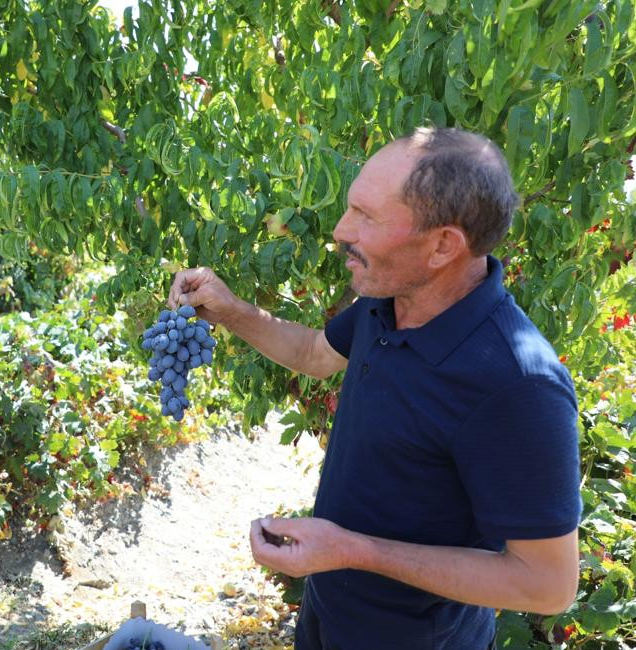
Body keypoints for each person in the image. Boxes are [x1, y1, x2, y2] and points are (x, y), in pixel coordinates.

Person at [169, 127, 581, 649]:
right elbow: (314, 354)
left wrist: (353, 551)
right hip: (329, 611)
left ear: (442, 246)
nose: (342, 230)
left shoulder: (517, 384)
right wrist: (231, 311)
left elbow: (547, 586)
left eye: (365, 216)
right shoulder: (390, 297)